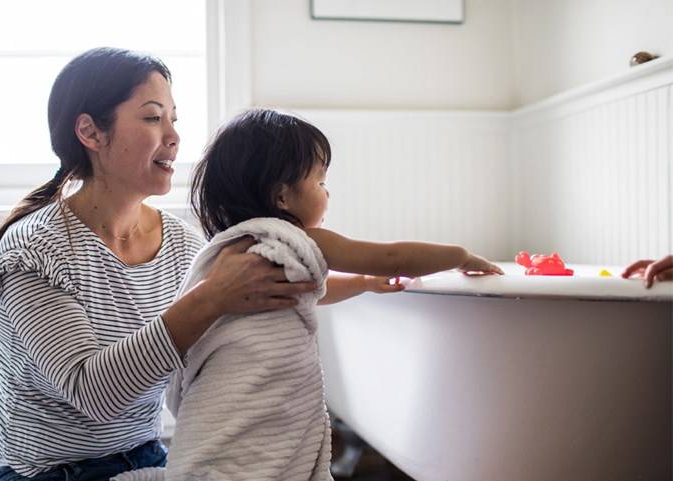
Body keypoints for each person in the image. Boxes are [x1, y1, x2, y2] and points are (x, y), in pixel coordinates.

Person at [0, 48, 319, 481]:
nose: (173, 136)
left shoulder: (181, 243)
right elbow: (93, 393)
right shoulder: (35, 250)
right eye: (153, 118)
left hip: (149, 455)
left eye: (174, 119)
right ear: (91, 133)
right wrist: (210, 297)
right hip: (50, 472)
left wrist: (361, 281)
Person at [113, 109, 503, 481]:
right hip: (255, 405)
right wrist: (459, 255)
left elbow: (305, 291)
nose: (327, 194)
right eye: (320, 182)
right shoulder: (298, 239)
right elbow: (391, 255)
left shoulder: (229, 252)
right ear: (282, 197)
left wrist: (364, 282)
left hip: (217, 425)